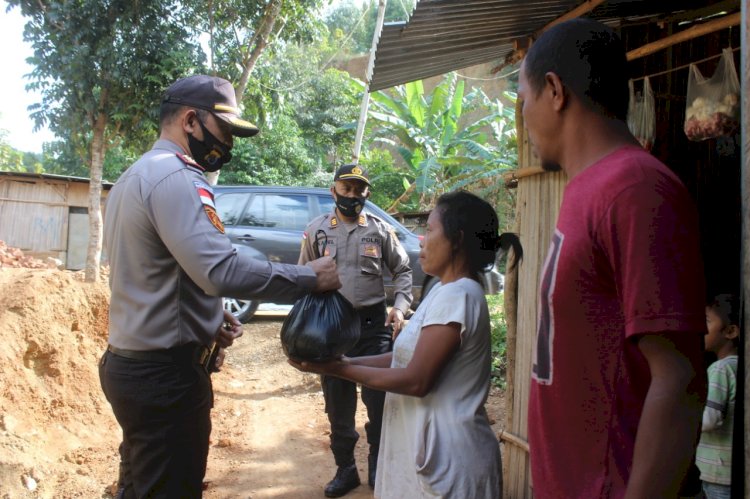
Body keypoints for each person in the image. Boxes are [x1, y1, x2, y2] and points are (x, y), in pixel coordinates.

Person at [99, 74, 341, 499]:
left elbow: (156, 273)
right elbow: (222, 271)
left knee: (138, 486)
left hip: (132, 367)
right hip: (165, 379)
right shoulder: (178, 177)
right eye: (225, 131)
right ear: (191, 121)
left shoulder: (133, 176)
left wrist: (206, 314)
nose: (228, 144)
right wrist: (310, 277)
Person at [519, 18, 708, 498]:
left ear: (555, 91)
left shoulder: (636, 189)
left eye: (524, 102)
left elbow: (679, 378)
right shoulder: (588, 188)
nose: (524, 119)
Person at [292, 190, 522, 498]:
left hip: (449, 462)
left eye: (429, 230)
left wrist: (337, 369)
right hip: (433, 455)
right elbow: (400, 360)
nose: (421, 240)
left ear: (456, 238)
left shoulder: (459, 295)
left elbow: (416, 379)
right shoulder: (444, 290)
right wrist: (341, 364)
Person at [297, 163, 413, 497]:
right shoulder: (316, 231)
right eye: (346, 189)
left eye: (359, 190)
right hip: (331, 329)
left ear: (367, 194)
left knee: (378, 401)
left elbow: (403, 271)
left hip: (373, 326)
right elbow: (302, 276)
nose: (353, 196)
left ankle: (378, 463)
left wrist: (400, 308)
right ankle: (345, 469)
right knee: (338, 404)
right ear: (333, 191)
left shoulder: (379, 230)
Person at [697, 294, 739, 499]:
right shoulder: (736, 366)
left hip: (718, 472)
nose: (701, 329)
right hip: (730, 471)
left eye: (706, 321)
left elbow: (710, 419)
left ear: (730, 332)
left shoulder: (720, 369)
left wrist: (680, 418)